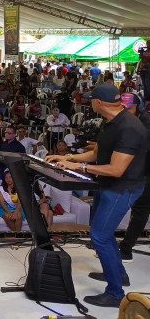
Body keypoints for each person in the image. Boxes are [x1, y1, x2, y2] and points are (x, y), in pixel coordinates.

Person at [49, 84, 147, 307]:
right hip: (108, 185)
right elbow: (97, 153)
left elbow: (116, 169)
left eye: (91, 100)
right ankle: (119, 274)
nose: (89, 103)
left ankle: (115, 294)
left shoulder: (129, 128)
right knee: (104, 233)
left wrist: (78, 169)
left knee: (100, 237)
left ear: (99, 103)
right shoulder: (110, 122)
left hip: (122, 188)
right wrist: (69, 159)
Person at [118, 92, 150, 263]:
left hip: (144, 173)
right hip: (141, 172)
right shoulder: (133, 121)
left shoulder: (144, 124)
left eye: (128, 108)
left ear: (139, 108)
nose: (124, 111)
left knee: (140, 211)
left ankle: (126, 250)